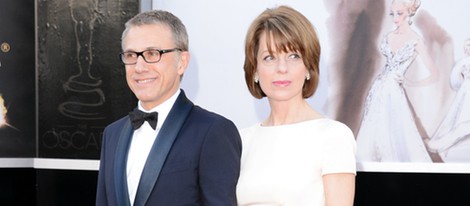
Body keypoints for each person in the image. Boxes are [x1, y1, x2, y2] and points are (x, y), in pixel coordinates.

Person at [95, 10, 242, 206]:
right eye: (131, 55)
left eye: (152, 53)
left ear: (181, 62)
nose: (139, 67)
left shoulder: (213, 131)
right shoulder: (112, 134)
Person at [236, 5, 356, 206]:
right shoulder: (241, 140)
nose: (282, 68)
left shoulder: (333, 136)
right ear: (255, 70)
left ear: (309, 66)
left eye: (293, 56)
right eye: (269, 57)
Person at [355, 0, 438, 162]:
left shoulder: (415, 40)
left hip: (393, 91)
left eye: (399, 13)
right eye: (393, 13)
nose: (395, 18)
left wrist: (410, 82)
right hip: (378, 88)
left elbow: (434, 73)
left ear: (409, 13)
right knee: (372, 127)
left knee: (394, 130)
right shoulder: (389, 36)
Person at [426, 38, 470, 162]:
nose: (467, 49)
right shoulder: (464, 62)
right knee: (461, 116)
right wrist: (463, 85)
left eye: (469, 46)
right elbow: (454, 79)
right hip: (465, 92)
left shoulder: (465, 62)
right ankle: (445, 146)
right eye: (465, 46)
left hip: (466, 91)